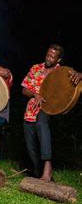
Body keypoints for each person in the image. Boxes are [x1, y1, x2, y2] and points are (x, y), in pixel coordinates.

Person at [22, 44, 81, 181]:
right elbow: (24, 89)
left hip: (50, 110)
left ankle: (48, 170)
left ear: (58, 59)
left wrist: (80, 75)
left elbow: (76, 84)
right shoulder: (35, 68)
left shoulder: (64, 73)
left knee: (42, 125)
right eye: (48, 54)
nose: (49, 58)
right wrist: (35, 94)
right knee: (31, 146)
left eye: (52, 56)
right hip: (30, 111)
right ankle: (39, 174)